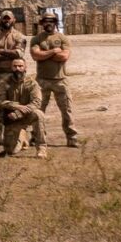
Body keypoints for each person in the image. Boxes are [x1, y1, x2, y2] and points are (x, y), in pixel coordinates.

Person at [30, 11, 78, 147]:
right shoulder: (36, 39)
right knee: (38, 111)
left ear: (55, 23)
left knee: (67, 110)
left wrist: (44, 54)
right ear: (42, 23)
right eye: (46, 21)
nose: (48, 23)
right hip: (42, 81)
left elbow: (64, 57)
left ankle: (72, 138)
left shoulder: (63, 38)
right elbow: (35, 55)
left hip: (61, 80)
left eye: (51, 21)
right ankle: (36, 137)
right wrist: (53, 51)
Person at [0, 58, 47, 159]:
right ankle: (23, 136)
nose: (17, 69)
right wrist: (17, 106)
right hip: (10, 118)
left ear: (25, 68)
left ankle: (41, 148)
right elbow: (0, 101)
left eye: (20, 66)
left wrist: (19, 113)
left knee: (38, 114)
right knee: (11, 150)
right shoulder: (4, 82)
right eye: (15, 66)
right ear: (11, 68)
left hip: (25, 115)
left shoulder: (32, 83)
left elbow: (36, 102)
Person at [0, 10, 27, 84]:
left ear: (14, 20)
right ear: (0, 20)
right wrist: (11, 55)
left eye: (9, 18)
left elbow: (19, 54)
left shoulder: (20, 36)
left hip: (15, 74)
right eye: (4, 18)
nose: (6, 20)